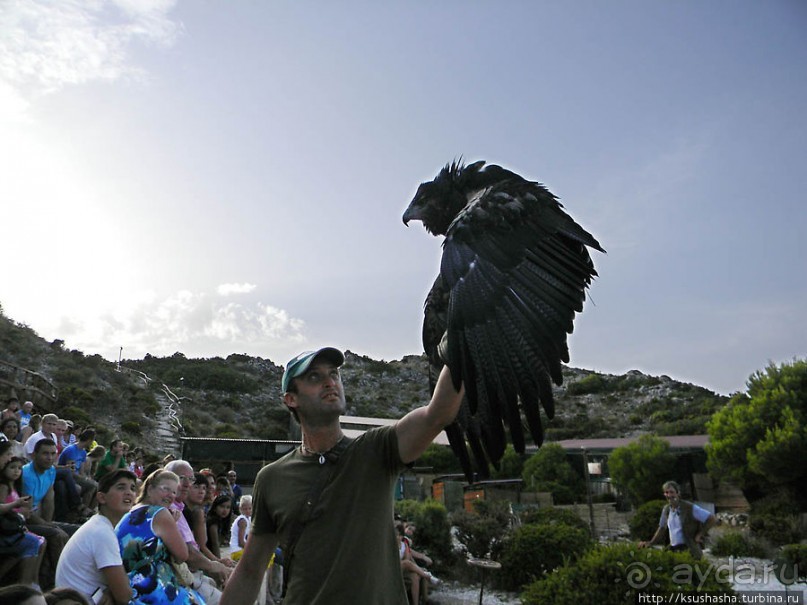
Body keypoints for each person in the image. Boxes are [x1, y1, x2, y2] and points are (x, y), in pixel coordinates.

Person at [220, 346, 463, 605]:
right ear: (291, 399)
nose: (329, 382)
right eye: (314, 377)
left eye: (334, 374)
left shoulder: (376, 450)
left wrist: (459, 343)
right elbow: (250, 571)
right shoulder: (271, 478)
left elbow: (437, 414)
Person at [114, 469, 205, 604]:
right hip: (152, 590)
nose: (171, 495)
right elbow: (183, 556)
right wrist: (172, 524)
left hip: (131, 586)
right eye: (165, 489)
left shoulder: (132, 510)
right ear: (150, 489)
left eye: (174, 492)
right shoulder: (160, 513)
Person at [55, 469, 137, 605]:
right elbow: (124, 596)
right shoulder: (102, 532)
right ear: (101, 497)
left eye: (133, 488)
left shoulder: (100, 525)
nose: (129, 492)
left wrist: (111, 590)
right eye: (121, 487)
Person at [0, 451, 46, 587]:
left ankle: (33, 580)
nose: (16, 471)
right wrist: (17, 506)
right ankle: (25, 584)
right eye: (12, 467)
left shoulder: (14, 486)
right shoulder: (3, 487)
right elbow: (3, 509)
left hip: (15, 525)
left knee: (40, 542)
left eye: (19, 468)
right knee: (33, 543)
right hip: (7, 529)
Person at [639, 480, 717, 559]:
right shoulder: (666, 509)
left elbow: (712, 519)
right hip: (674, 549)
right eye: (666, 492)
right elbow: (662, 528)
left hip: (689, 549)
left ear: (678, 493)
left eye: (672, 492)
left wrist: (700, 534)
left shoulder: (689, 507)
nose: (669, 495)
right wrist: (651, 542)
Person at [205, 495, 232, 559]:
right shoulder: (213, 521)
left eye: (228, 507)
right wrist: (219, 561)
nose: (225, 510)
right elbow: (215, 543)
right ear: (215, 508)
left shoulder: (222, 521)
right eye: (222, 506)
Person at [228, 495, 251, 561]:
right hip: (237, 551)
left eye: (250, 508)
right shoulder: (242, 521)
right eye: (245, 509)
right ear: (240, 509)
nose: (248, 511)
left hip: (239, 550)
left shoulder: (248, 519)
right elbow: (241, 542)